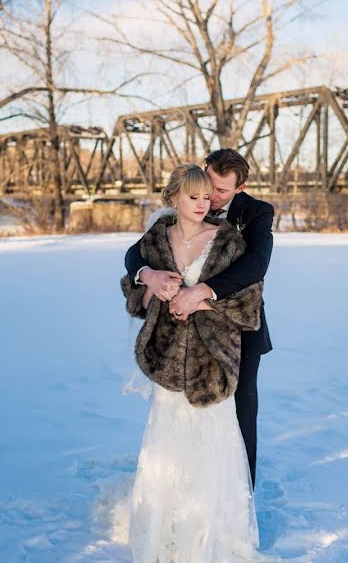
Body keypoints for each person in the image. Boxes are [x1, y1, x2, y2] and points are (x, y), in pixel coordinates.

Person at [120, 163, 263, 562]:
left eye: (208, 196)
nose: (205, 203)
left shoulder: (229, 241)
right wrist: (151, 286)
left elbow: (249, 303)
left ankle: (211, 534)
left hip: (211, 362)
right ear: (173, 199)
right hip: (166, 360)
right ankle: (166, 530)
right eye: (194, 197)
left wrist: (200, 298)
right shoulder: (156, 239)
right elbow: (130, 289)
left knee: (211, 444)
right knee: (169, 445)